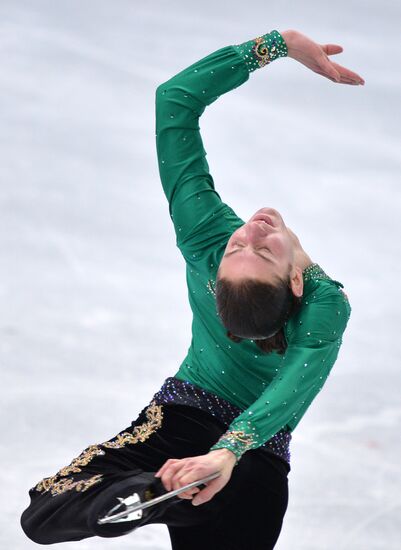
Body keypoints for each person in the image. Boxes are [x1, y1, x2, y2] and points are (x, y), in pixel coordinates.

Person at [20, 28, 363, 549]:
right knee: (41, 513)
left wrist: (275, 47)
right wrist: (281, 43)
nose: (249, 230)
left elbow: (293, 383)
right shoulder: (309, 295)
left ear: (293, 282)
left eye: (254, 248)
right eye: (243, 246)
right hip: (245, 461)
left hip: (198, 442)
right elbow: (172, 101)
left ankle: (155, 486)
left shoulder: (211, 243)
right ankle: (153, 491)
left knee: (50, 509)